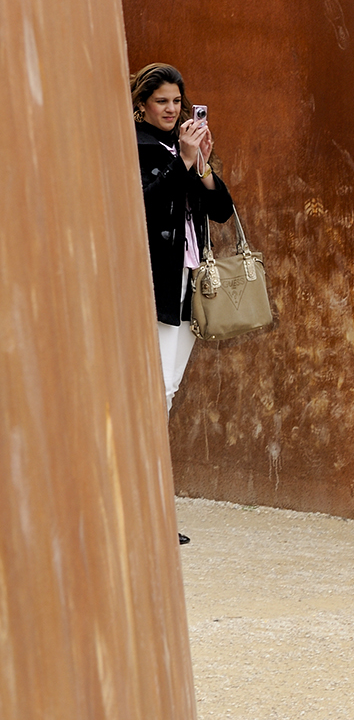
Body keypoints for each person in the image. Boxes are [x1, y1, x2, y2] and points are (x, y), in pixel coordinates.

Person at [131, 63, 234, 545]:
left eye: (177, 101)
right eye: (162, 102)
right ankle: (144, 516)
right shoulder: (136, 145)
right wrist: (183, 162)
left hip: (190, 285)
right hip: (156, 285)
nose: (171, 110)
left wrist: (203, 165)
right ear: (142, 105)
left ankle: (150, 515)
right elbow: (143, 205)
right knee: (153, 393)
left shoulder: (183, 148)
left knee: (165, 392)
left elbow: (221, 212)